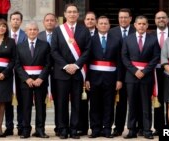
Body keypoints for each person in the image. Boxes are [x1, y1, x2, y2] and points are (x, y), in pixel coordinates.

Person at [50, 3, 91, 139]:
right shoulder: (58, 30)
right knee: (61, 103)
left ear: (78, 15)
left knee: (76, 103)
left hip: (78, 73)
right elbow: (54, 51)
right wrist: (67, 66)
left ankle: (74, 129)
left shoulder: (83, 30)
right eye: (70, 12)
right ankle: (63, 129)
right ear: (65, 14)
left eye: (75, 12)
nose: (72, 14)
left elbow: (87, 51)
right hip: (62, 73)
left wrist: (76, 65)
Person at [122, 15, 160, 139]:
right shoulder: (127, 39)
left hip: (146, 76)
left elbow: (155, 57)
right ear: (135, 25)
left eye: (144, 24)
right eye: (139, 24)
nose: (142, 26)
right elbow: (124, 57)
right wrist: (134, 71)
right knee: (132, 104)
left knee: (146, 104)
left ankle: (147, 130)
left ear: (147, 25)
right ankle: (132, 130)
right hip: (131, 76)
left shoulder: (153, 39)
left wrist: (144, 71)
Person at [86, 16, 123, 138]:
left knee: (109, 104)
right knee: (95, 104)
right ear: (96, 25)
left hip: (111, 77)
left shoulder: (116, 40)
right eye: (100, 23)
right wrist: (86, 79)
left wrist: (119, 79)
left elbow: (119, 61)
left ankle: (107, 128)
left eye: (105, 23)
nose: (103, 25)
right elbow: (86, 60)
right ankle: (95, 129)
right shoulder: (90, 39)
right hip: (94, 77)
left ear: (109, 25)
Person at [15, 21, 51, 139]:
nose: (32, 31)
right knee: (25, 106)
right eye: (30, 30)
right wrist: (26, 79)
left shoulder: (45, 45)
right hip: (26, 81)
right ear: (26, 32)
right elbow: (17, 65)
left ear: (37, 31)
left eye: (35, 29)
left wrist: (41, 78)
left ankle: (40, 130)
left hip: (40, 80)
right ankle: (26, 130)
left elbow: (48, 64)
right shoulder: (19, 46)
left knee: (41, 106)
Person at [109, 8, 137, 137]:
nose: (123, 19)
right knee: (120, 102)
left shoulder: (136, 30)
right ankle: (118, 128)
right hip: (116, 73)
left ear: (131, 19)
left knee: (134, 102)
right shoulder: (112, 32)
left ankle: (136, 127)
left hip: (134, 73)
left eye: (126, 17)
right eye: (121, 17)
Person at [4, 11, 27, 136]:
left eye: (18, 19)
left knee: (21, 101)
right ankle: (9, 126)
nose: (15, 21)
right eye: (13, 19)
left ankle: (21, 126)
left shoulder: (25, 35)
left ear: (21, 21)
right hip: (7, 73)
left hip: (21, 73)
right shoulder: (4, 35)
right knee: (8, 101)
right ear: (10, 21)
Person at [150, 11, 169, 135]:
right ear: (155, 20)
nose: (161, 20)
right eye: (158, 18)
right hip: (155, 71)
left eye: (163, 17)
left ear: (167, 20)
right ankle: (159, 128)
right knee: (157, 98)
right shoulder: (150, 35)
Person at [37, 13, 58, 135]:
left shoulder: (60, 35)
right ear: (44, 22)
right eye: (47, 20)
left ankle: (59, 127)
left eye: (52, 20)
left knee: (59, 102)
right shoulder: (38, 36)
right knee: (40, 102)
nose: (49, 22)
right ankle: (41, 129)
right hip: (41, 74)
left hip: (57, 73)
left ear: (55, 22)